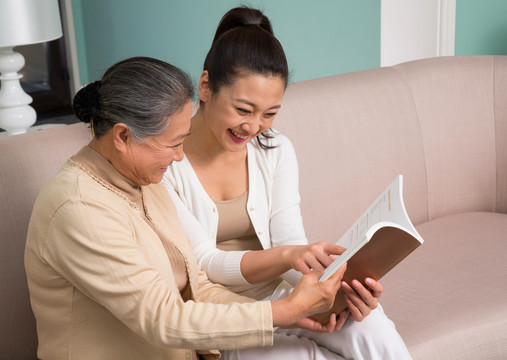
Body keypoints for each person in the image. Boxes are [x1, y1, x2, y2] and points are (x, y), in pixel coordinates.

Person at [24, 56, 349, 360]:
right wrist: (285, 312)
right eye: (173, 144)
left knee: (347, 334)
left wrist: (293, 314)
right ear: (123, 136)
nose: (180, 157)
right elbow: (162, 318)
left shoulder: (144, 182)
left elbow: (197, 287)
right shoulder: (79, 208)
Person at [163, 7, 413, 360]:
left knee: (372, 327)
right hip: (228, 318)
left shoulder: (276, 149)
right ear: (205, 87)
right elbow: (205, 261)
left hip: (284, 296)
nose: (253, 127)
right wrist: (289, 257)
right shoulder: (166, 162)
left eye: (269, 113)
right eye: (244, 109)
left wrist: (332, 293)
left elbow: (289, 238)